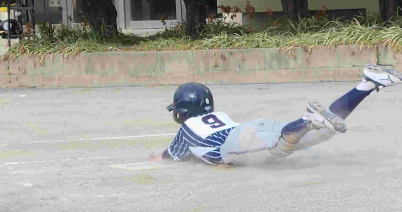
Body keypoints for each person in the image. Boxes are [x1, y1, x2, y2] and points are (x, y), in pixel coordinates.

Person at [152, 64, 402, 166]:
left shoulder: (186, 131)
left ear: (183, 111)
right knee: (325, 131)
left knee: (278, 149)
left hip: (237, 142)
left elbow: (167, 157)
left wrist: (152, 158)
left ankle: (307, 119)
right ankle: (367, 85)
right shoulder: (219, 116)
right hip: (253, 126)